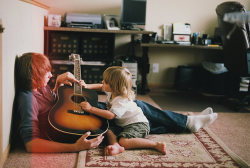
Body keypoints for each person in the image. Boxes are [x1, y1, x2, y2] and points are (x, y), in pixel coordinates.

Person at [14, 52, 104, 153]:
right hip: (59, 132)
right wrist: (76, 147)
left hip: (65, 117)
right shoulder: (28, 100)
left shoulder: (41, 87)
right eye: (46, 73)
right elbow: (30, 144)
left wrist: (58, 83)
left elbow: (54, 103)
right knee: (108, 128)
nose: (51, 75)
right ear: (33, 77)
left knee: (105, 111)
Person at [80, 66, 167, 155]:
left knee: (124, 141)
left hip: (138, 124)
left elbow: (110, 115)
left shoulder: (121, 100)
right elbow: (101, 86)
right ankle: (116, 145)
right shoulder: (112, 91)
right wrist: (87, 86)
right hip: (123, 125)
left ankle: (155, 145)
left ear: (114, 86)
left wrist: (91, 109)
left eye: (105, 81)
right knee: (108, 131)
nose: (102, 82)